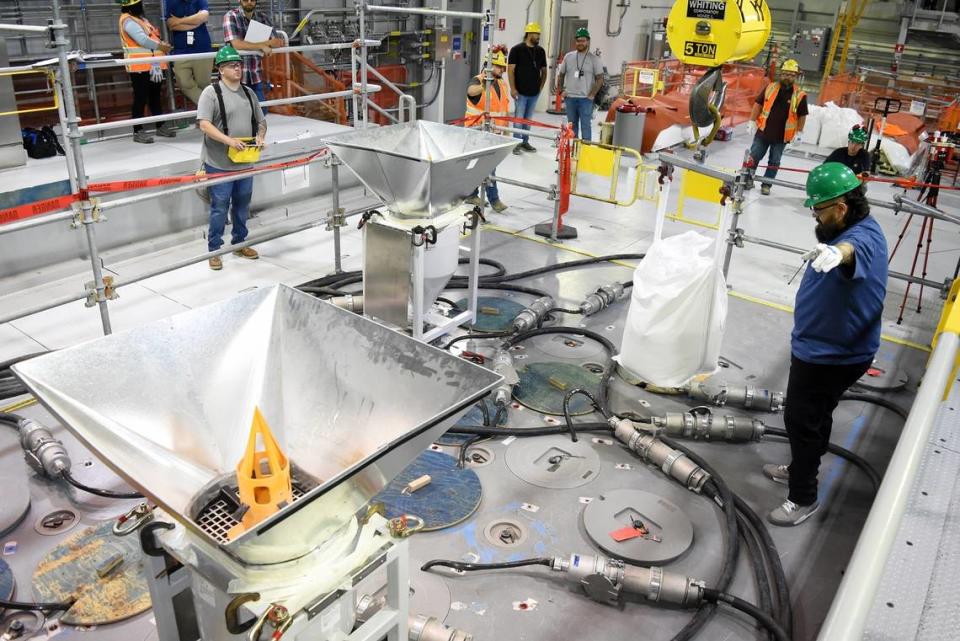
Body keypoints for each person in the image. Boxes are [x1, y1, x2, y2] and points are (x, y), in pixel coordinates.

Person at [763, 162, 888, 526]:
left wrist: (839, 253)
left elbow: (854, 250)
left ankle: (803, 497)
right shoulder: (847, 227)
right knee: (815, 417)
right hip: (823, 349)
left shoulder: (863, 237)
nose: (814, 217)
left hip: (831, 356)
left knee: (801, 420)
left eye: (818, 210)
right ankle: (801, 466)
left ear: (841, 208)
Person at [196, 45, 266, 270]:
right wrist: (228, 141)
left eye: (239, 65)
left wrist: (260, 137)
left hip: (245, 162)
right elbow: (204, 124)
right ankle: (215, 250)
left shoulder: (248, 92)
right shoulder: (211, 93)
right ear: (221, 69)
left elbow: (261, 122)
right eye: (232, 65)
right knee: (219, 207)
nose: (238, 68)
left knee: (242, 204)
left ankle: (239, 242)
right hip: (219, 164)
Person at [117, 0, 176, 144]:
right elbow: (142, 40)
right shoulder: (128, 20)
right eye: (140, 4)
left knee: (155, 97)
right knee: (140, 98)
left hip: (152, 65)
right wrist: (161, 47)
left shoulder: (140, 20)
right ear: (133, 6)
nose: (142, 6)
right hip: (139, 66)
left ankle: (160, 125)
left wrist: (160, 46)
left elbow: (150, 37)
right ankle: (138, 131)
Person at [746, 59, 808, 195]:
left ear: (796, 76)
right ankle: (747, 179)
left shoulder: (799, 95)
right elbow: (758, 104)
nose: (788, 77)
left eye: (791, 75)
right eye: (786, 74)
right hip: (763, 132)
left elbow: (802, 115)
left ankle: (767, 185)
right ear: (781, 74)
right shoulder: (770, 88)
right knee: (754, 156)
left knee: (774, 161)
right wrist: (751, 121)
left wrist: (799, 133)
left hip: (782, 137)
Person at [464, 50, 510, 213]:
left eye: (503, 67)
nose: (502, 70)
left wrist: (506, 131)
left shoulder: (502, 84)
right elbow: (471, 92)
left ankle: (470, 193)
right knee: (489, 167)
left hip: (494, 133)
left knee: (481, 166)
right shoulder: (478, 80)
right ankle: (494, 199)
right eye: (499, 67)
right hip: (477, 133)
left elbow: (504, 108)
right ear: (490, 66)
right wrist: (484, 81)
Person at [222, 0, 284, 102]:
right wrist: (262, 46)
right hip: (235, 75)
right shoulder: (231, 16)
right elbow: (236, 44)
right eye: (246, 0)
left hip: (255, 75)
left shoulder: (263, 18)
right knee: (239, 113)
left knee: (261, 111)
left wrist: (264, 45)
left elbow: (277, 42)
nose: (249, 2)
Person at [557, 28, 603, 141]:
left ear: (587, 41)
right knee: (572, 126)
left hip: (585, 100)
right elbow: (561, 74)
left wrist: (592, 94)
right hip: (570, 98)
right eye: (578, 40)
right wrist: (560, 90)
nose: (580, 43)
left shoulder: (594, 59)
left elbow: (600, 79)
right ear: (575, 42)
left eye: (583, 40)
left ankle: (585, 152)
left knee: (585, 126)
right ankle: (573, 150)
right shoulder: (569, 57)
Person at [508, 22, 547, 154]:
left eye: (539, 34)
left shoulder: (540, 51)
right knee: (518, 119)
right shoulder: (516, 50)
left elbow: (544, 71)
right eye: (537, 34)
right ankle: (516, 143)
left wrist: (540, 87)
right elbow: (510, 70)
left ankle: (525, 142)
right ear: (529, 34)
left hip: (534, 93)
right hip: (520, 92)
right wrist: (513, 89)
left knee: (528, 120)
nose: (538, 37)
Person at [164, 0, 214, 105]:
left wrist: (179, 20)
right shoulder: (169, 1)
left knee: (204, 84)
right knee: (184, 84)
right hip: (181, 51)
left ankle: (208, 115)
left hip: (202, 49)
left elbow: (204, 16)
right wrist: (196, 21)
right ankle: (212, 107)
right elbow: (171, 24)